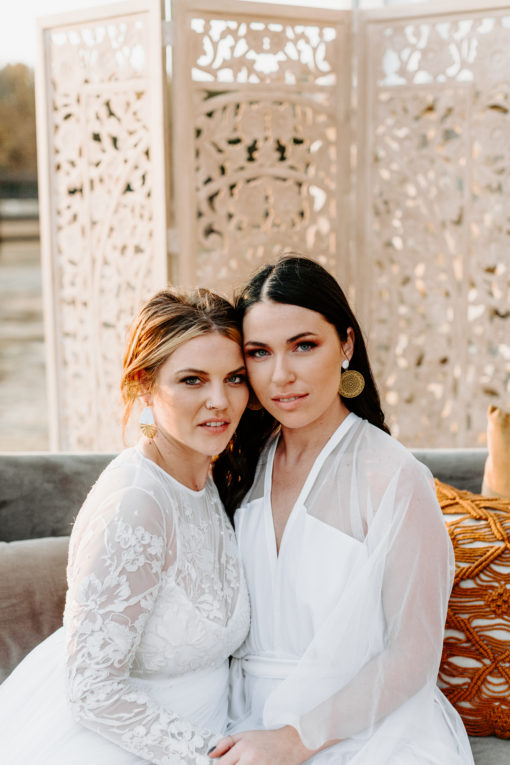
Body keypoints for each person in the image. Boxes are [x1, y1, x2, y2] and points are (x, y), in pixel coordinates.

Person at [210, 256, 474, 764]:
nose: (281, 375)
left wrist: (294, 741)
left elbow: (411, 657)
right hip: (239, 718)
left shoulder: (393, 476)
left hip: (361, 728)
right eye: (259, 353)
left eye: (304, 346)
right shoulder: (241, 466)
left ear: (346, 344)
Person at [0, 288, 250, 764]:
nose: (219, 401)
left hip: (218, 727)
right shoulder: (136, 504)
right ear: (143, 384)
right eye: (193, 380)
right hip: (129, 747)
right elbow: (92, 689)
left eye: (234, 378)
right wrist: (215, 758)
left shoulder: (206, 474)